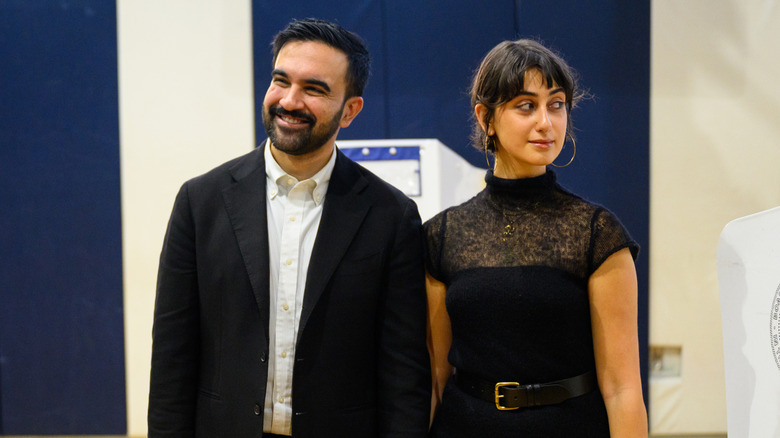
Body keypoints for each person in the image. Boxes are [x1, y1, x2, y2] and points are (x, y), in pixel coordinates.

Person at [148, 18, 431, 438]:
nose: (290, 101)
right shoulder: (200, 202)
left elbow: (403, 374)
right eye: (281, 81)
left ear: (350, 110)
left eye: (314, 89)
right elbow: (172, 357)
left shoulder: (391, 215)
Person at [425, 39, 648, 437]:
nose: (546, 122)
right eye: (526, 105)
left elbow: (623, 388)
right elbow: (436, 379)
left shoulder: (597, 232)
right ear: (486, 118)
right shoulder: (443, 235)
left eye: (557, 104)